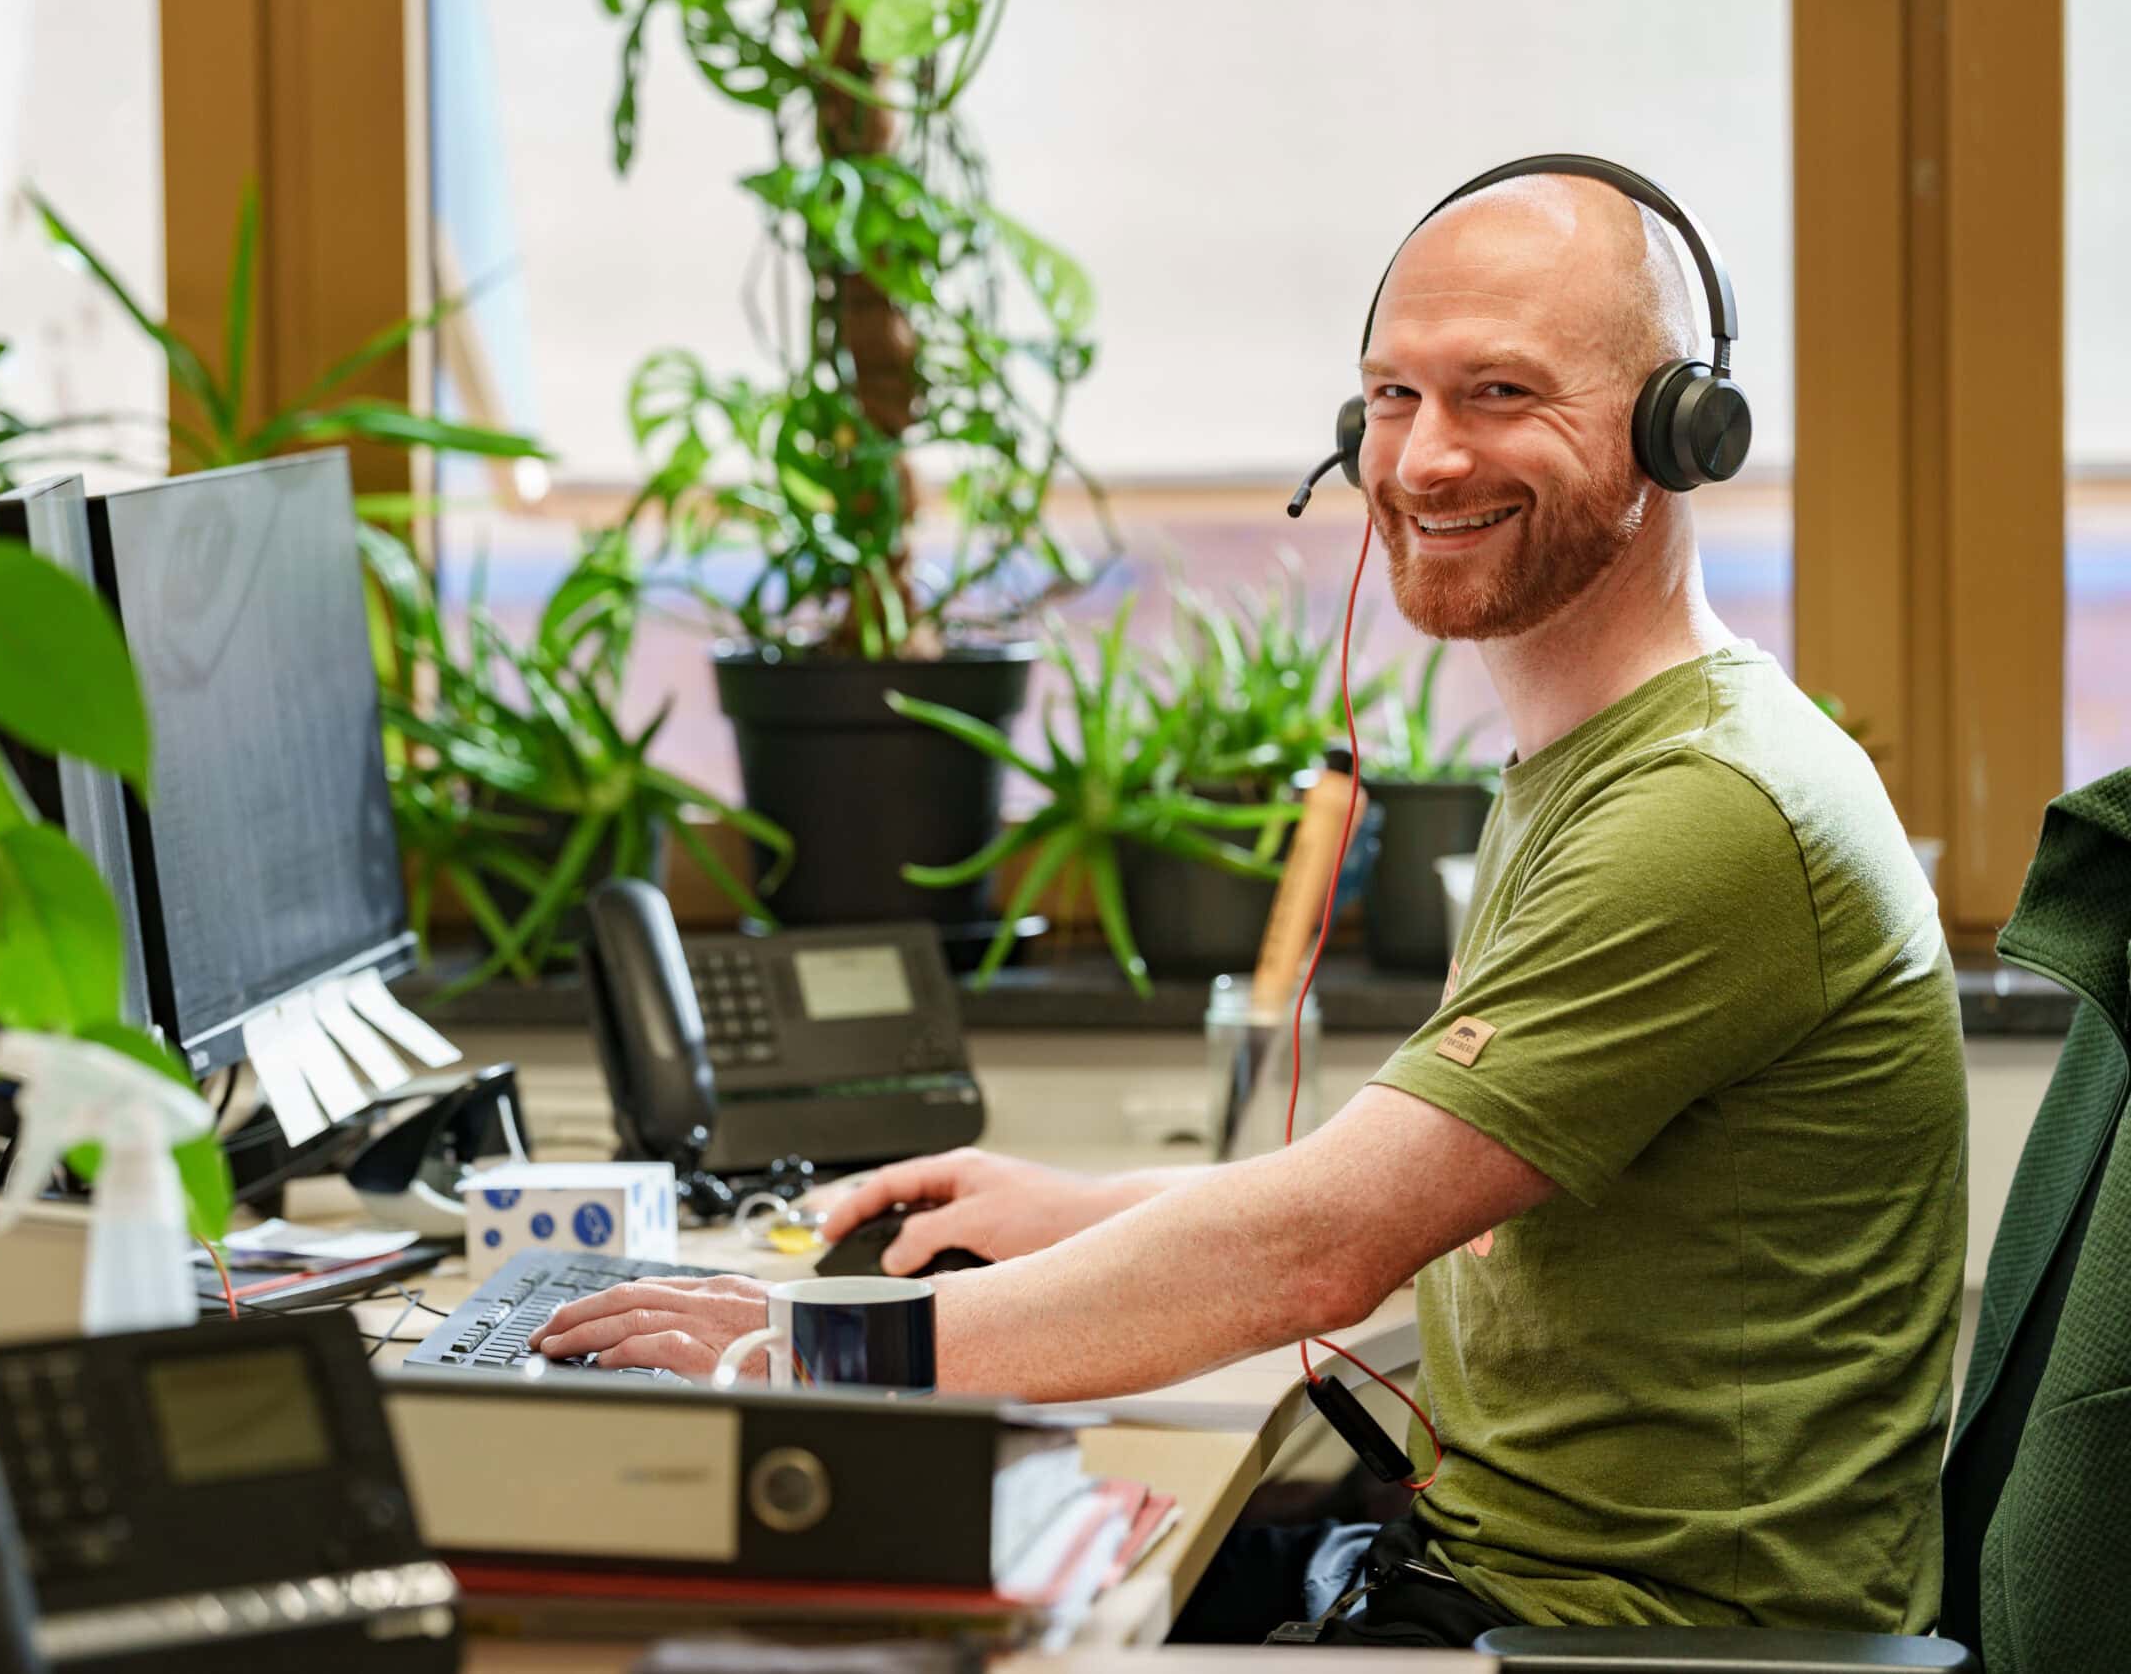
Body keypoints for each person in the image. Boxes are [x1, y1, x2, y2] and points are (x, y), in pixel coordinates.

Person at [530, 167, 1968, 1648]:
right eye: (1393, 398)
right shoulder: (1604, 761)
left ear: (1682, 429)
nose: (1422, 461)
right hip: (1512, 1592)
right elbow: (1409, 1202)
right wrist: (1083, 1215)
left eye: (1500, 391)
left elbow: (1320, 1248)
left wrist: (804, 1355)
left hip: (1628, 1644)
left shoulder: (1707, 810)